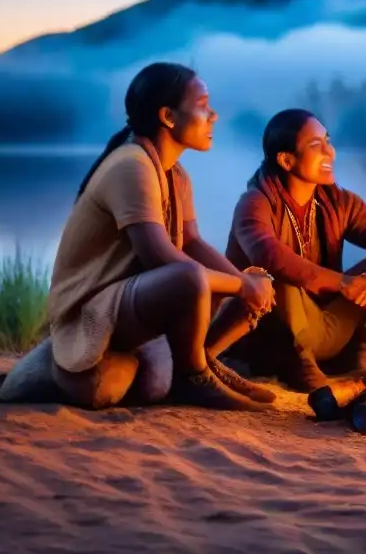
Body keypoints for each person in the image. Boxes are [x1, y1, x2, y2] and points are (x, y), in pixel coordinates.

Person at [46, 62, 278, 411]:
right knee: (191, 277)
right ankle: (193, 379)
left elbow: (192, 242)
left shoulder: (175, 173)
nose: (213, 115)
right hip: (92, 311)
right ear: (168, 116)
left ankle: (204, 360)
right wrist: (241, 287)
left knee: (250, 277)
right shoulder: (131, 165)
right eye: (203, 104)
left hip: (134, 299)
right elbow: (160, 257)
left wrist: (245, 282)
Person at [206, 108, 366, 393]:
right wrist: (344, 283)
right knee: (273, 271)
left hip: (327, 327)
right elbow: (267, 254)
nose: (329, 153)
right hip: (272, 338)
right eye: (316, 146)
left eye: (328, 142)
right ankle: (301, 364)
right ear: (286, 160)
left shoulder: (338, 201)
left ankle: (361, 352)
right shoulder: (255, 203)